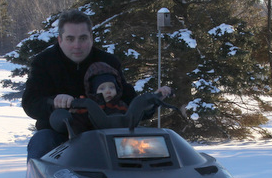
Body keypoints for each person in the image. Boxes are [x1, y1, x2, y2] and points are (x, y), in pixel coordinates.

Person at [22, 9, 170, 159]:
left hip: (106, 134)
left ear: (91, 38)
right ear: (60, 40)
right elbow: (31, 103)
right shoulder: (44, 62)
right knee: (41, 141)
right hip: (60, 133)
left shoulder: (108, 62)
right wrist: (53, 103)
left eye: (83, 38)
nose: (77, 45)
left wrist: (151, 102)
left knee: (148, 148)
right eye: (70, 39)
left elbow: (128, 101)